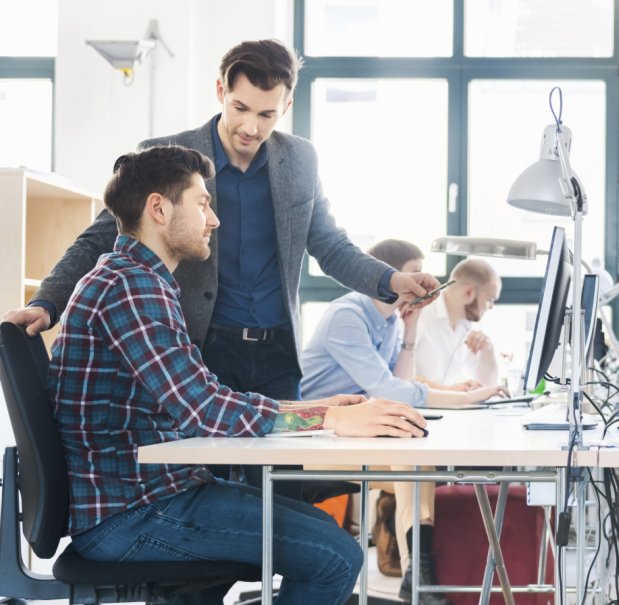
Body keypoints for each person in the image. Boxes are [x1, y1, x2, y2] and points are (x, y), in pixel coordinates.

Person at [52, 146, 429, 605]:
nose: (215, 218)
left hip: (148, 497)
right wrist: (328, 420)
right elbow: (205, 408)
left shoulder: (139, 280)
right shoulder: (131, 288)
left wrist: (314, 406)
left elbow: (201, 393)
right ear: (160, 210)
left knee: (323, 544)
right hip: (131, 513)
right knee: (335, 558)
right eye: (202, 203)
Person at [5, 37, 439, 446]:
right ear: (220, 90)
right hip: (201, 348)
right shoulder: (173, 156)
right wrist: (47, 302)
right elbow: (100, 236)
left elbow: (330, 244)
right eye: (240, 107)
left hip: (276, 354)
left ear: (286, 106)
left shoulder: (300, 160)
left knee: (278, 489)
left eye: (266, 114)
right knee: (207, 474)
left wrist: (392, 280)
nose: (250, 127)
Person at [299, 242, 505, 605]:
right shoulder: (347, 315)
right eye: (413, 271)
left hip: (352, 437)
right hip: (314, 439)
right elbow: (388, 390)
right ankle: (418, 584)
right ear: (386, 276)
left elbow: (401, 384)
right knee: (412, 463)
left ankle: (417, 583)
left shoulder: (392, 321)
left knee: (416, 463)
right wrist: (465, 399)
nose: (423, 282)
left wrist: (409, 330)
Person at [411, 257, 504, 389]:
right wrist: (449, 391)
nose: (490, 307)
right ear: (468, 292)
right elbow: (400, 376)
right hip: (410, 408)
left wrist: (488, 351)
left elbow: (487, 386)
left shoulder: (468, 326)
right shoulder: (419, 313)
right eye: (490, 299)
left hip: (444, 408)